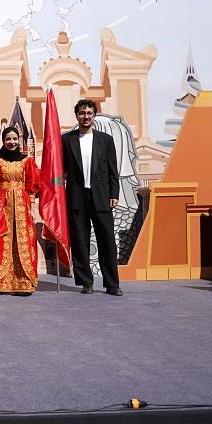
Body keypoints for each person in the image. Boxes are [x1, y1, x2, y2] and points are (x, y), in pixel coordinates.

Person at [62, 98, 122, 296]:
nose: (85, 116)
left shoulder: (105, 140)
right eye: (81, 113)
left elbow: (113, 170)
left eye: (89, 113)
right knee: (80, 243)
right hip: (76, 197)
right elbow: (58, 170)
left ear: (94, 115)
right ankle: (86, 282)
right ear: (76, 115)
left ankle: (112, 284)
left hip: (102, 197)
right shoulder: (66, 140)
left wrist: (114, 193)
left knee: (107, 242)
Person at [0, 126, 41, 296]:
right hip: (2, 205)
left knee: (23, 240)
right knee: (3, 240)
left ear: (19, 140)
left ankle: (23, 282)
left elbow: (32, 186)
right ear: (3, 141)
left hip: (22, 205)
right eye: (8, 139)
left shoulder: (27, 161)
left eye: (14, 139)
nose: (11, 142)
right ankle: (1, 282)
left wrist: (32, 209)